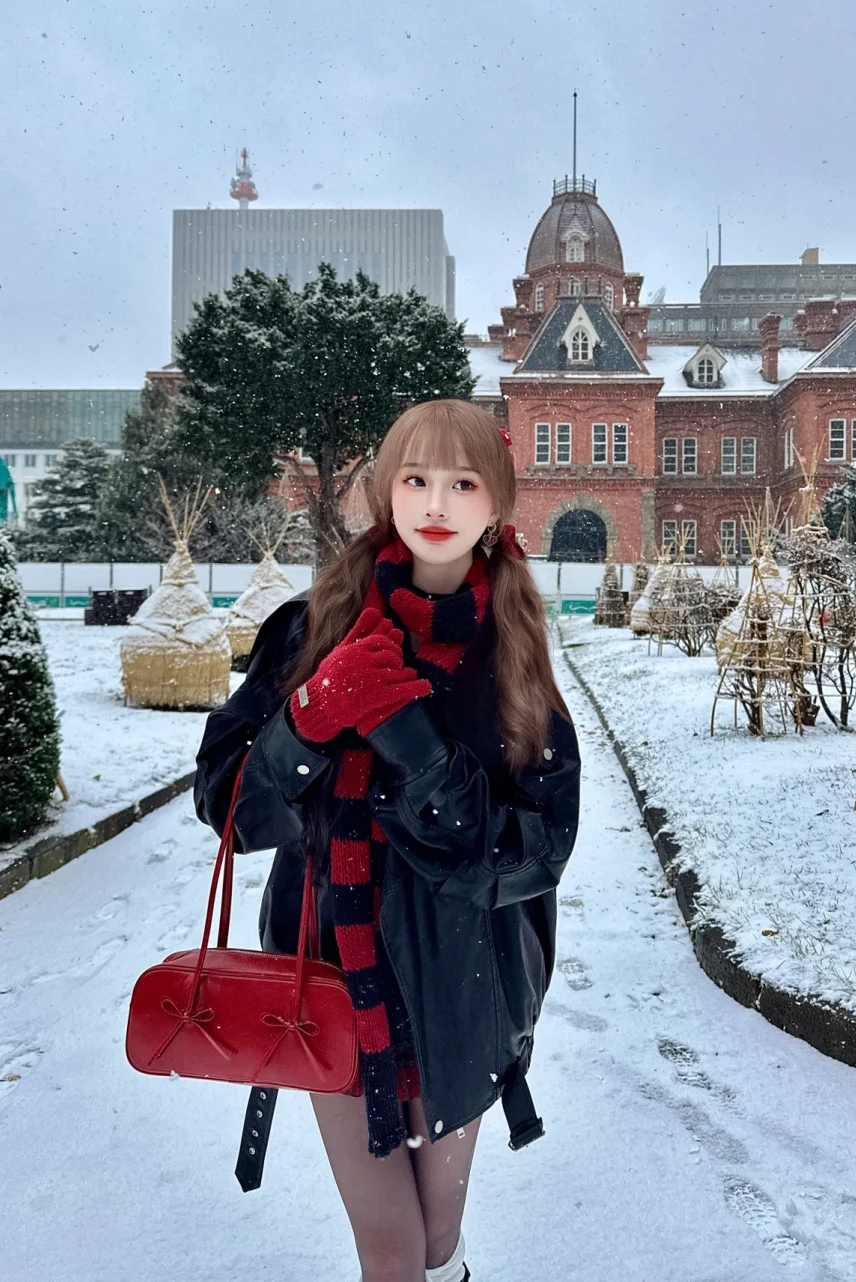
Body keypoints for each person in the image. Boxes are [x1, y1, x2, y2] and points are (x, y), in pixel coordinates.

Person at [194, 398, 581, 1282]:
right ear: (385, 491)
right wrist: (307, 720)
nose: (436, 502)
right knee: (393, 1253)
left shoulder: (514, 655)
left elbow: (538, 849)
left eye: (463, 482)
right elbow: (228, 807)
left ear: (497, 504)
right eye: (415, 478)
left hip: (463, 988)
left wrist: (414, 747)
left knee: (436, 1245)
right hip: (330, 975)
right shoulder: (309, 629)